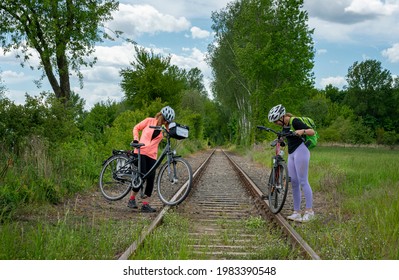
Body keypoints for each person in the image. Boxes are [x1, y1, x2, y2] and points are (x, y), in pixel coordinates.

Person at [267, 104, 315, 222]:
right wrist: (280, 140)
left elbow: (312, 132)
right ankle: (296, 212)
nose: (276, 123)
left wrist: (301, 131)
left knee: (303, 181)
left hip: (301, 151)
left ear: (282, 117)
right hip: (292, 153)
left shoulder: (295, 121)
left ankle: (309, 211)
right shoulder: (285, 126)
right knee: (294, 182)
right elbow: (286, 138)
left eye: (276, 121)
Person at [127, 106, 175, 213]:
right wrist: (136, 139)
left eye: (167, 121)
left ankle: (145, 204)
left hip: (152, 155)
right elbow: (136, 127)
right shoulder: (149, 121)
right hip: (140, 151)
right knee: (142, 176)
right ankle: (131, 199)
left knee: (151, 179)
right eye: (165, 120)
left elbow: (171, 134)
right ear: (161, 116)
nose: (165, 122)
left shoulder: (164, 128)